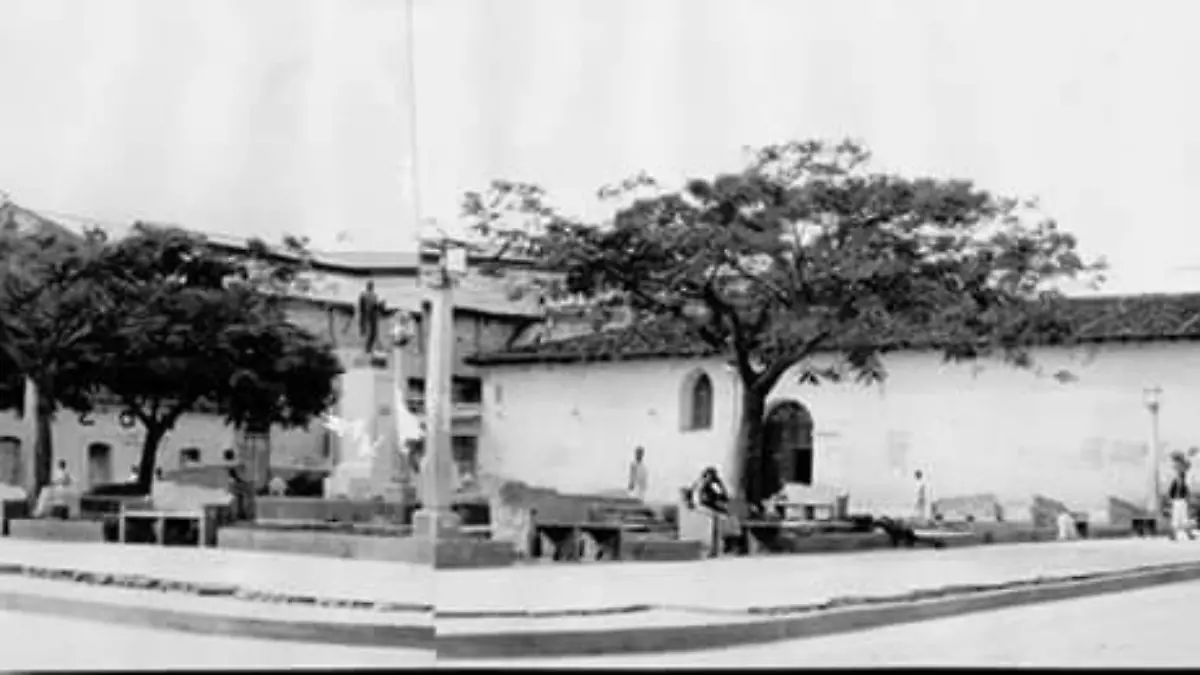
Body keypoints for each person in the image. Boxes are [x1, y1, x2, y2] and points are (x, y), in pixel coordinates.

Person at [1168, 454, 1195, 541]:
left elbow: (1187, 466)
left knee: (1182, 517)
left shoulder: (1182, 476)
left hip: (1180, 499)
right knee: (1179, 517)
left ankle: (1187, 534)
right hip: (1178, 499)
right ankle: (1177, 534)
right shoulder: (1178, 477)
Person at [357, 280, 384, 356]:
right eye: (371, 286)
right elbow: (363, 307)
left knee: (372, 333)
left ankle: (369, 348)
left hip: (371, 315)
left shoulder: (371, 295)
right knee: (371, 333)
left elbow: (363, 307)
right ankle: (368, 348)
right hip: (369, 315)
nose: (372, 287)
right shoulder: (367, 295)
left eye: (371, 286)